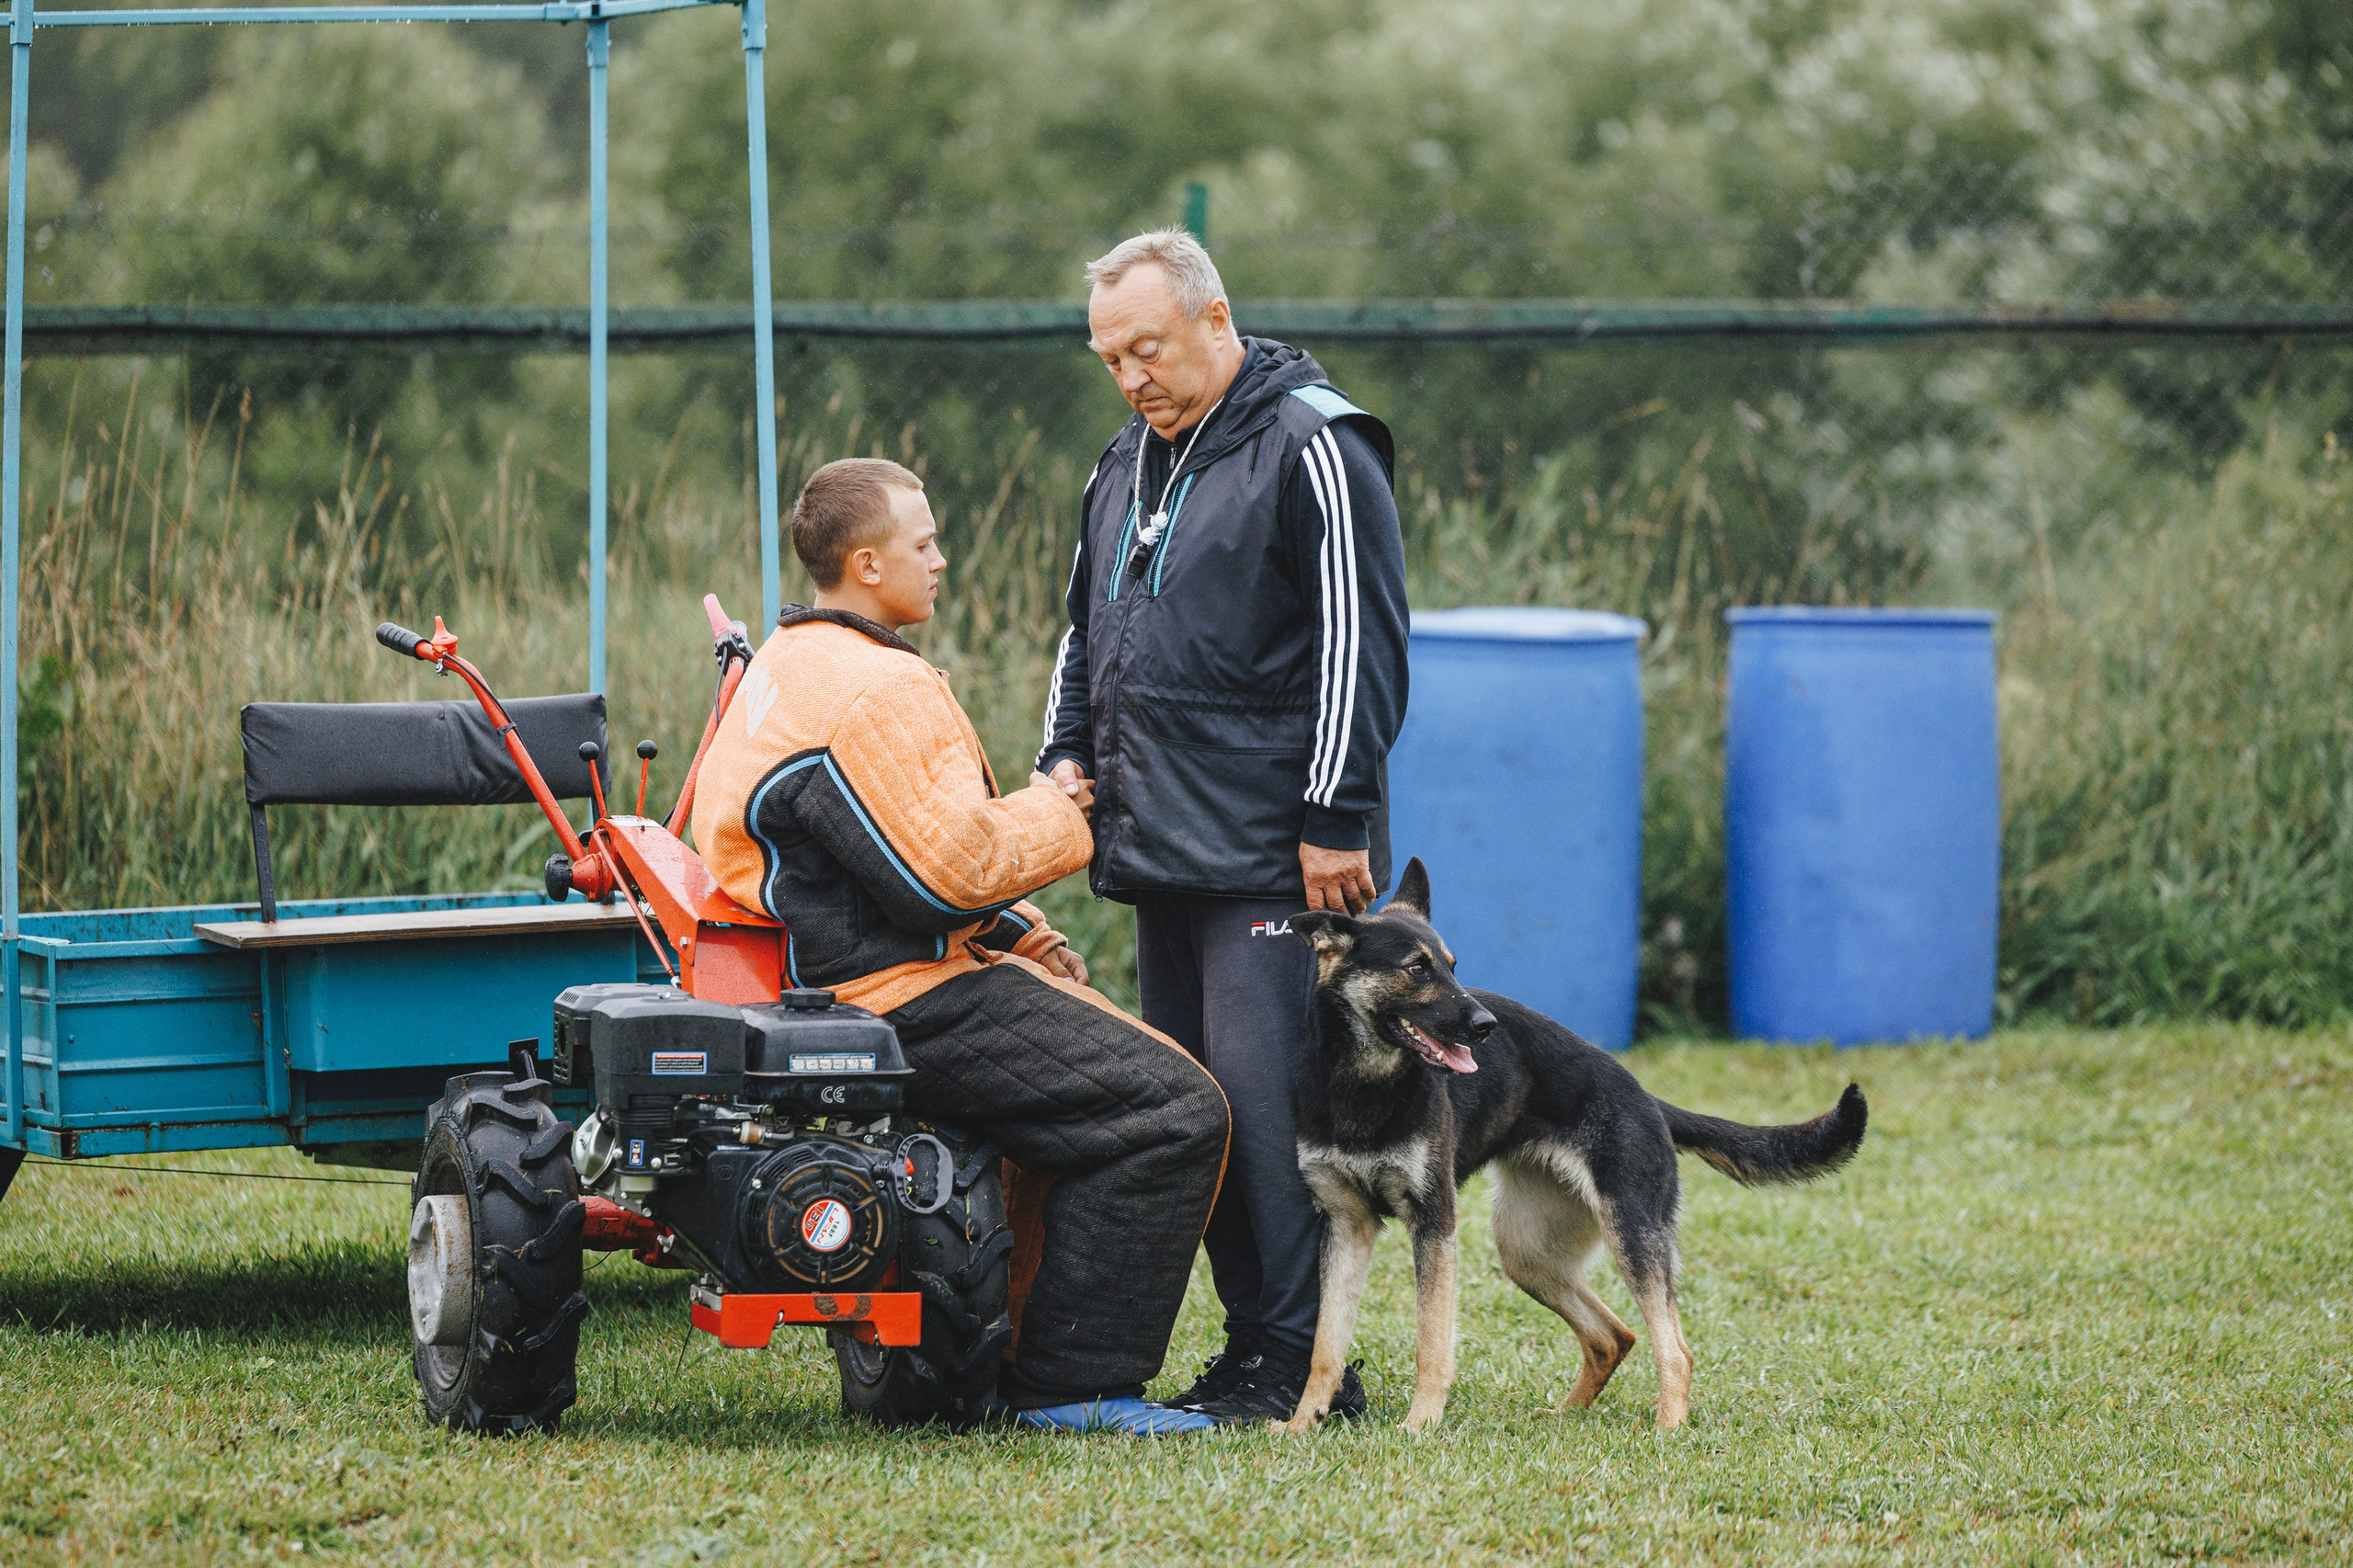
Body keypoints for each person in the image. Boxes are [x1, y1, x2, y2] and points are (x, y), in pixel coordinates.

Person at [693, 457, 1231, 1436]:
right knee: (1173, 1109)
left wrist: (1021, 931)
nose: (941, 559)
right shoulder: (875, 688)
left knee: (1100, 1076)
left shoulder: (787, 660)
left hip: (825, 972)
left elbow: (868, 853)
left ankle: (1003, 1353)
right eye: (922, 542)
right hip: (893, 994)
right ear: (865, 562)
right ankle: (1071, 1387)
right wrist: (1057, 806)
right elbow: (949, 867)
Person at [1039, 230, 1410, 1423]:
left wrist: (1335, 813)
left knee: (1266, 1112)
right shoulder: (1124, 461)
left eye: (1146, 347)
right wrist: (1065, 757)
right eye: (1108, 358)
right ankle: (1257, 1347)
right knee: (1195, 1112)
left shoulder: (1317, 443)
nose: (1129, 375)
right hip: (1157, 845)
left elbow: (1362, 644)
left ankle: (1313, 1365)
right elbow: (1085, 631)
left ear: (1214, 318)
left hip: (1274, 848)